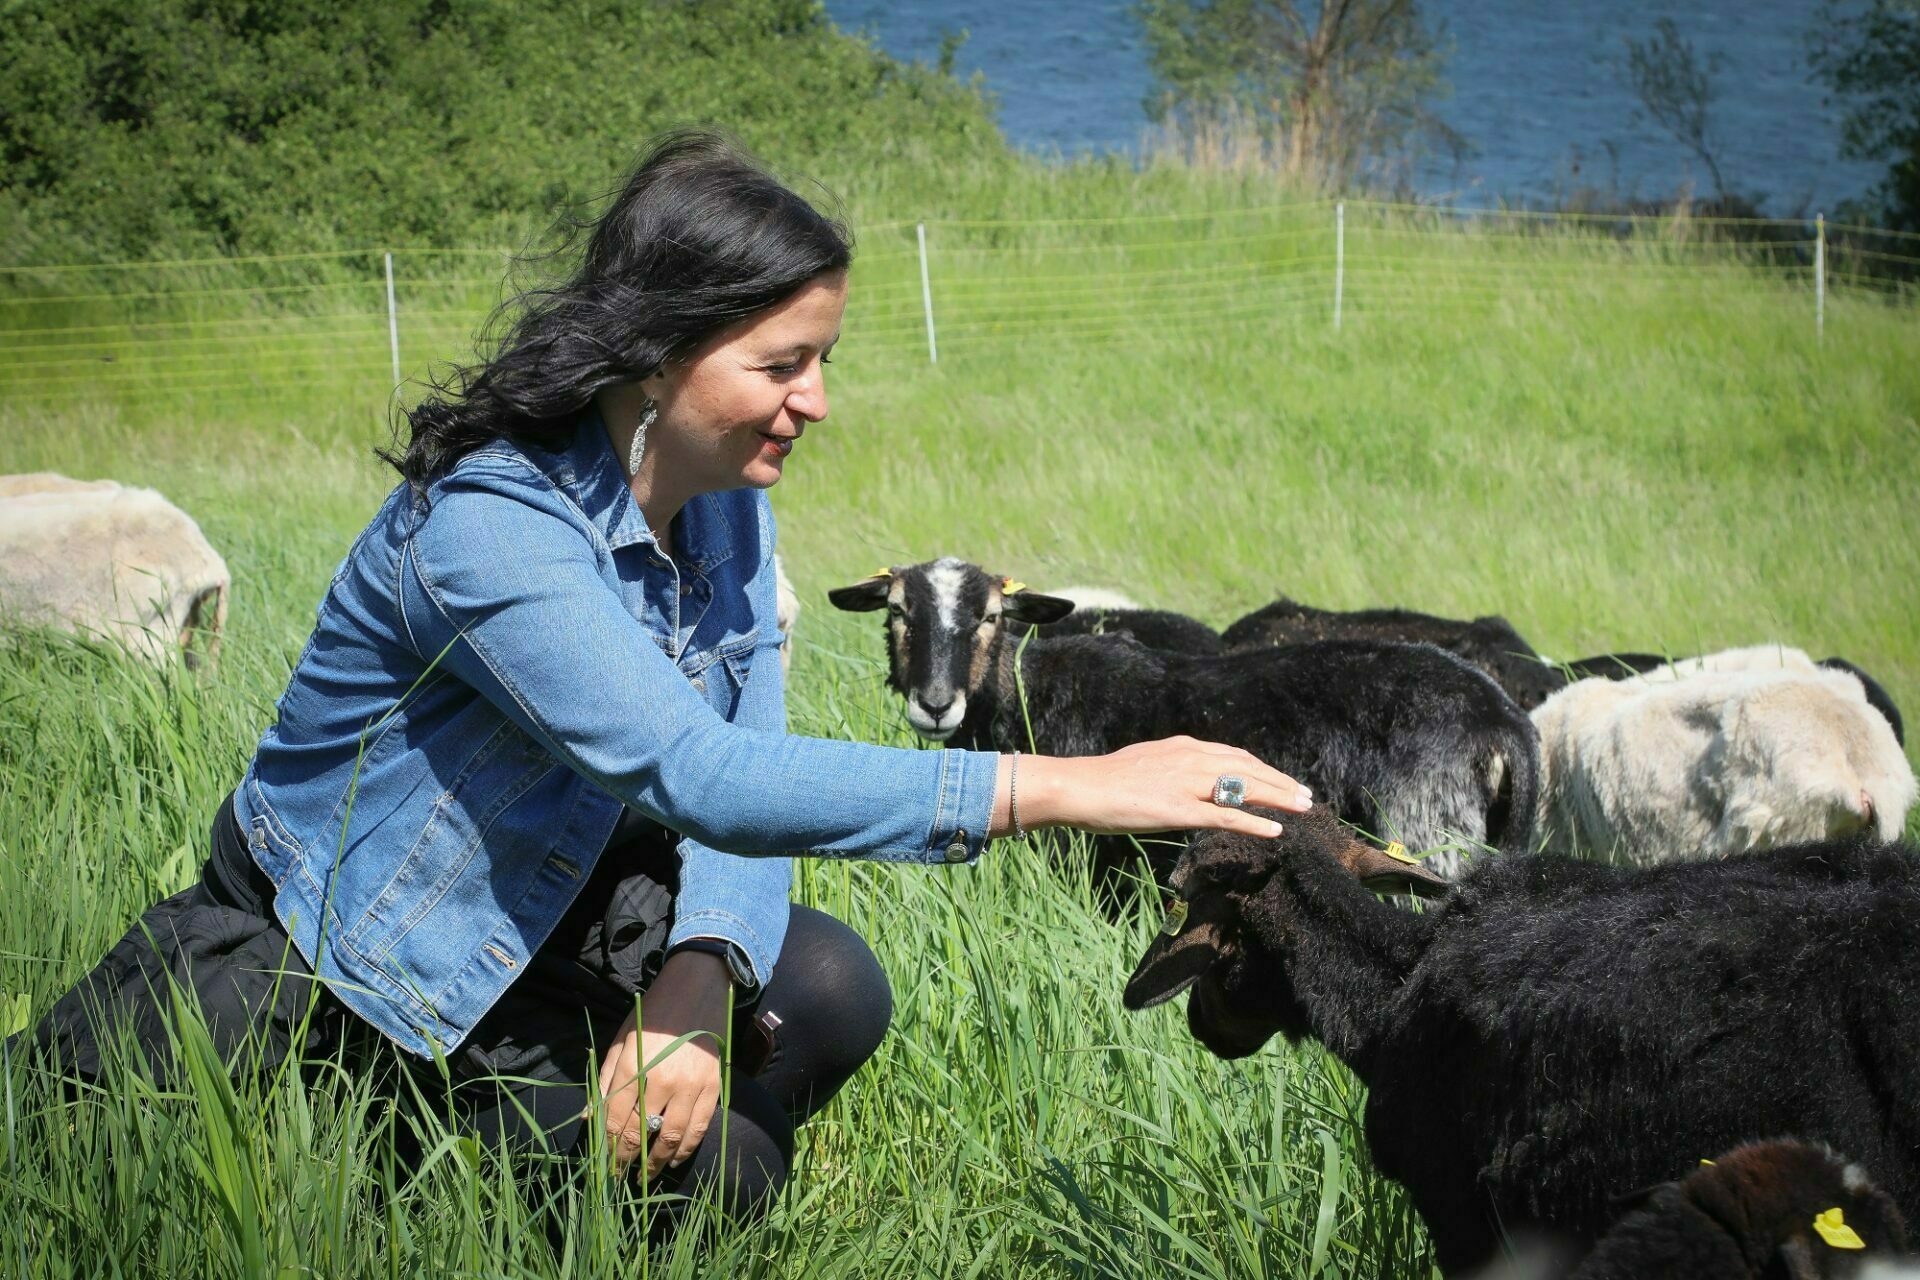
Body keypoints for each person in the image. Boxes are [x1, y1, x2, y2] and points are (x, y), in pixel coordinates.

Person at [24, 130, 1310, 1225]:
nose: (814, 402)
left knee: (827, 984)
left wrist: (700, 972)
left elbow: (744, 756)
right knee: (727, 1177)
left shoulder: (722, 505)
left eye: (824, 361)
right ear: (658, 352)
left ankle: (596, 1103)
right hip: (362, 956)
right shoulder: (492, 526)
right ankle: (405, 1138)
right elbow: (704, 770)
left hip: (552, 894)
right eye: (780, 364)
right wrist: (1077, 784)